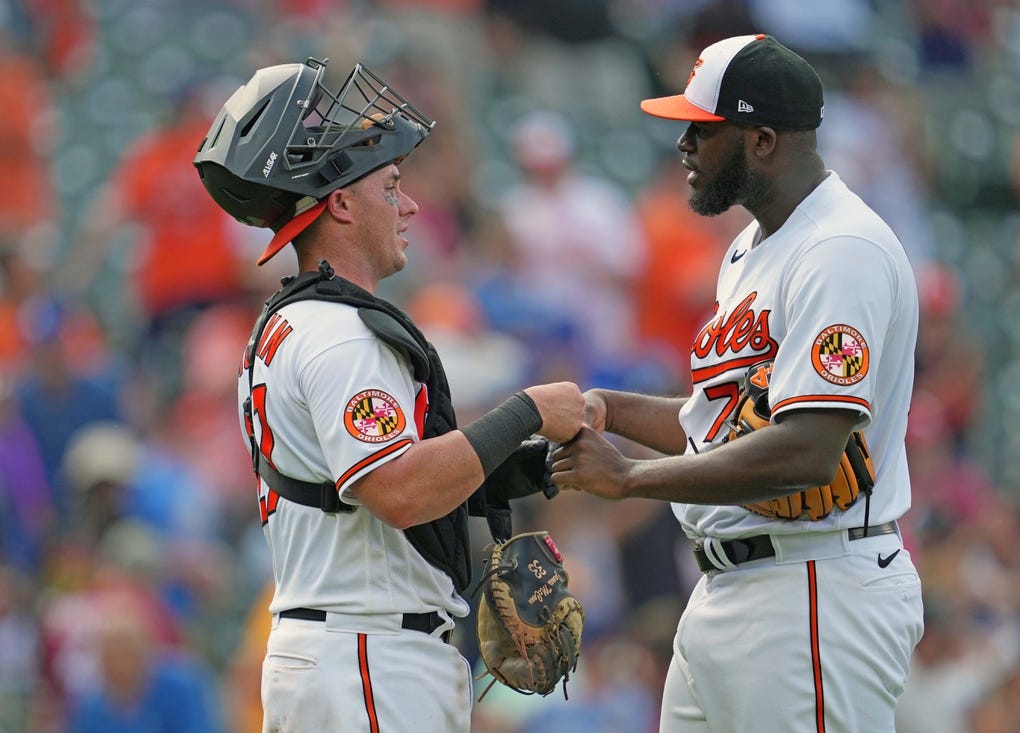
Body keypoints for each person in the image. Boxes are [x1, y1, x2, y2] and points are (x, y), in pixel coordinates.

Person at [193, 59, 584, 732]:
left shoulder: (293, 321)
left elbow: (365, 483)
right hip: (367, 656)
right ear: (341, 202)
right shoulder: (343, 334)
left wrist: (528, 466)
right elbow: (398, 490)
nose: (409, 206)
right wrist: (525, 410)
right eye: (392, 186)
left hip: (344, 647)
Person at [551, 34, 925, 731]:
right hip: (734, 586)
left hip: (813, 589)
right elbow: (715, 425)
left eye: (703, 128)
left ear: (760, 140)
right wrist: (609, 408)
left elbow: (806, 450)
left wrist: (630, 477)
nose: (685, 145)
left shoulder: (839, 249)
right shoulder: (751, 248)